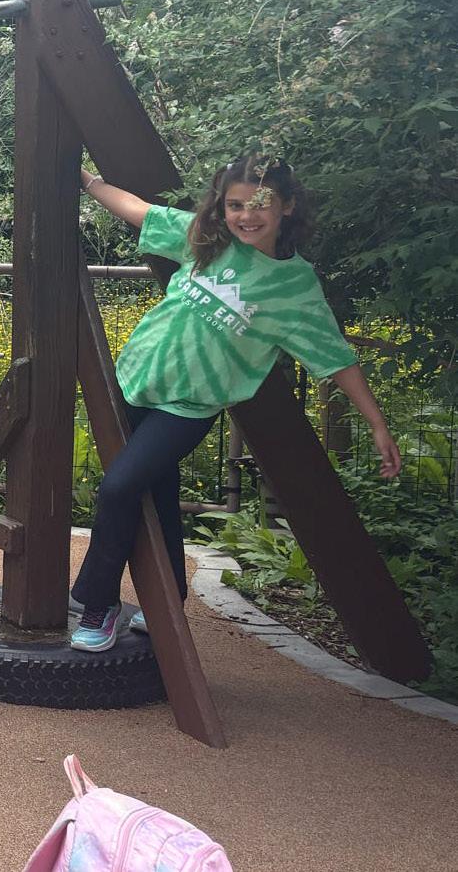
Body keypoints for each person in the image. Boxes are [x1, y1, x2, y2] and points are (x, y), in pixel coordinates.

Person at [68, 156, 401, 649]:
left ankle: (99, 604)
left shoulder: (294, 287)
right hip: (134, 380)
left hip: (188, 406)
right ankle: (168, 602)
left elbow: (335, 357)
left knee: (119, 488)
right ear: (221, 207)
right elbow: (139, 210)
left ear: (287, 206)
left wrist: (376, 422)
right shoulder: (207, 241)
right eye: (235, 205)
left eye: (260, 204)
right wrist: (87, 180)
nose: (247, 215)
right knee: (156, 493)